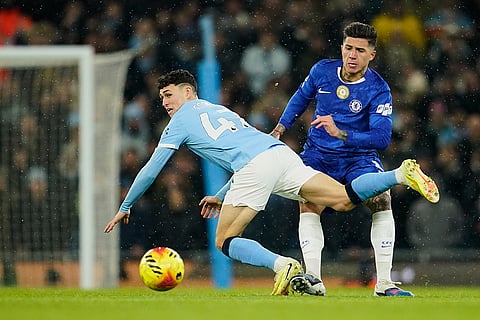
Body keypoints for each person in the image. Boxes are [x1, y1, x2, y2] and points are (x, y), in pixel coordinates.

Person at [104, 69, 439, 296]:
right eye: (162, 98)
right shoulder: (221, 110)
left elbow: (151, 168)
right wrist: (223, 194)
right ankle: (398, 175)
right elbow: (249, 144)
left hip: (256, 166)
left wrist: (125, 206)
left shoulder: (180, 121)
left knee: (224, 240)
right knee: (342, 199)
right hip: (280, 154)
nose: (165, 103)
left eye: (169, 95)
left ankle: (284, 265)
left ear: (187, 91)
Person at [270, 22, 420, 297]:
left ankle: (384, 283)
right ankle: (314, 277)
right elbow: (300, 98)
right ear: (341, 47)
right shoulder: (322, 71)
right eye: (348, 47)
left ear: (371, 55)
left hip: (358, 158)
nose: (352, 55)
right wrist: (280, 128)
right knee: (309, 202)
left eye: (360, 50)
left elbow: (381, 138)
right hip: (318, 156)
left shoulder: (378, 89)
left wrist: (342, 133)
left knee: (381, 199)